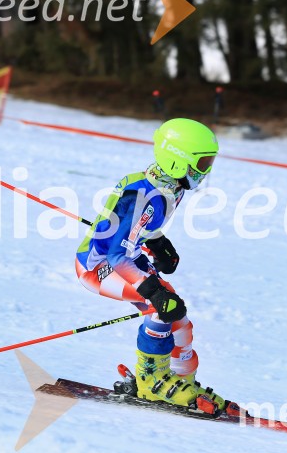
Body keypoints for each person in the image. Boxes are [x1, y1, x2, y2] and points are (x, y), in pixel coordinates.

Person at [75, 118, 227, 413]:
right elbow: (117, 254)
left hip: (127, 257)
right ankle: (151, 381)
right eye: (202, 163)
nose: (205, 172)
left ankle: (181, 380)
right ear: (177, 161)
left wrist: (157, 242)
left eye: (208, 163)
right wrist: (151, 290)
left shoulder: (170, 186)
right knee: (159, 307)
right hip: (99, 267)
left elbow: (141, 229)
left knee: (177, 312)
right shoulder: (145, 196)